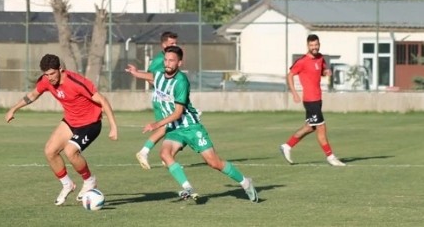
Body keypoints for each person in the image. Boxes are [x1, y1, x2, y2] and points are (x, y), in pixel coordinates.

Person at [130, 46, 258, 203]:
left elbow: (177, 113)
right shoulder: (159, 75)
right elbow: (150, 75)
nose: (167, 63)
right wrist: (135, 73)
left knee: (214, 162)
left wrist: (157, 124)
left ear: (180, 63)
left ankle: (245, 182)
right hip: (175, 129)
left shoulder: (181, 82)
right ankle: (188, 187)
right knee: (165, 154)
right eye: (166, 60)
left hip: (191, 127)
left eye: (171, 60)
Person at [4, 54, 118, 206]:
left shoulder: (76, 82)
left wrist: (113, 127)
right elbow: (33, 95)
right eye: (46, 74)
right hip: (71, 121)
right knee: (50, 151)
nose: (49, 78)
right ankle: (67, 185)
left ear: (60, 69)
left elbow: (102, 100)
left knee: (70, 151)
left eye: (52, 73)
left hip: (91, 123)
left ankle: (90, 181)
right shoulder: (46, 81)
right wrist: (13, 109)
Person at [280, 34, 346, 167]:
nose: (314, 47)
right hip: (310, 100)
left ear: (319, 44)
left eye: (316, 45)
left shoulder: (321, 58)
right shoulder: (302, 61)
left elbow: (320, 71)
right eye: (311, 45)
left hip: (318, 98)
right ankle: (330, 157)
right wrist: (294, 93)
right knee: (321, 127)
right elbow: (290, 74)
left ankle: (287, 146)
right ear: (307, 46)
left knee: (310, 127)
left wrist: (326, 72)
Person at [129, 31, 178, 170]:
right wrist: (162, 89)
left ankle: (168, 156)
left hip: (169, 98)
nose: (175, 45)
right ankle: (144, 152)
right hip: (163, 99)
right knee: (166, 126)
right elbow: (151, 76)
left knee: (175, 127)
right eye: (171, 43)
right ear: (163, 44)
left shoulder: (171, 58)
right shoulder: (159, 60)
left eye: (175, 43)